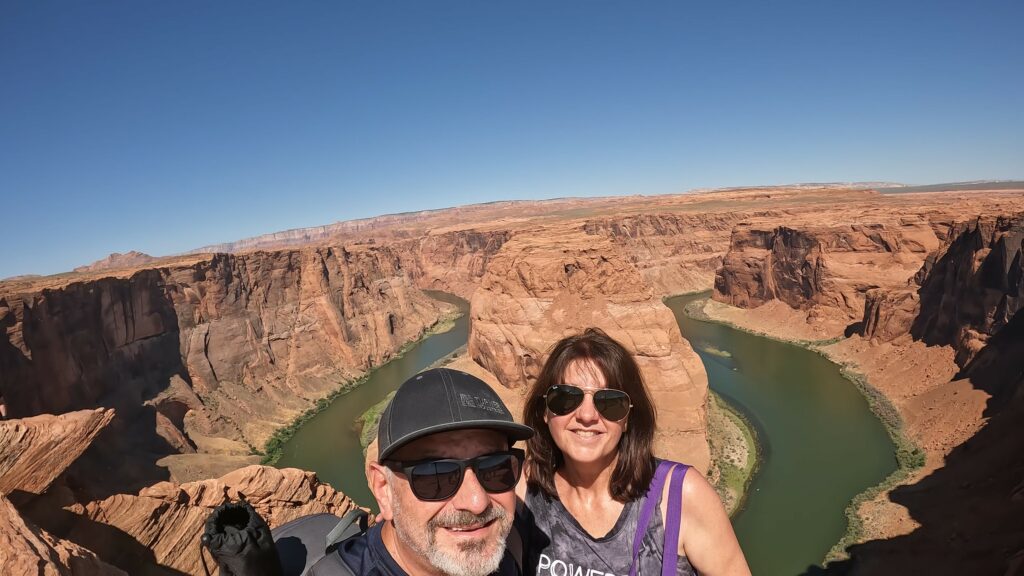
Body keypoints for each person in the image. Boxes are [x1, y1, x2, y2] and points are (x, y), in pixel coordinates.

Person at [517, 328, 750, 576]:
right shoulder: (522, 487)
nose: (587, 416)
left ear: (628, 418)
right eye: (565, 398)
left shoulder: (680, 496)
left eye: (609, 402)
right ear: (545, 411)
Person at [269, 367, 536, 576]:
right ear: (384, 490)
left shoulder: (511, 546)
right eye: (435, 476)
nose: (477, 503)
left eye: (495, 468)